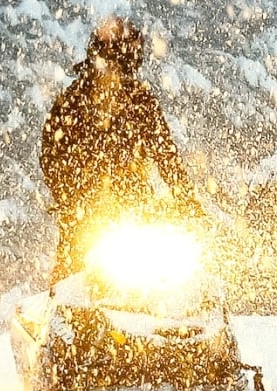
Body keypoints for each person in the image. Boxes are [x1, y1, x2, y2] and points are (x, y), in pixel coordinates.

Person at [40, 17, 206, 284]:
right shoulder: (73, 101)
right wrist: (69, 196)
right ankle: (60, 304)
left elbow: (166, 155)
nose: (115, 70)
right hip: (86, 217)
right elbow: (51, 156)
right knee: (71, 280)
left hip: (133, 211)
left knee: (169, 283)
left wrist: (187, 202)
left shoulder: (140, 100)